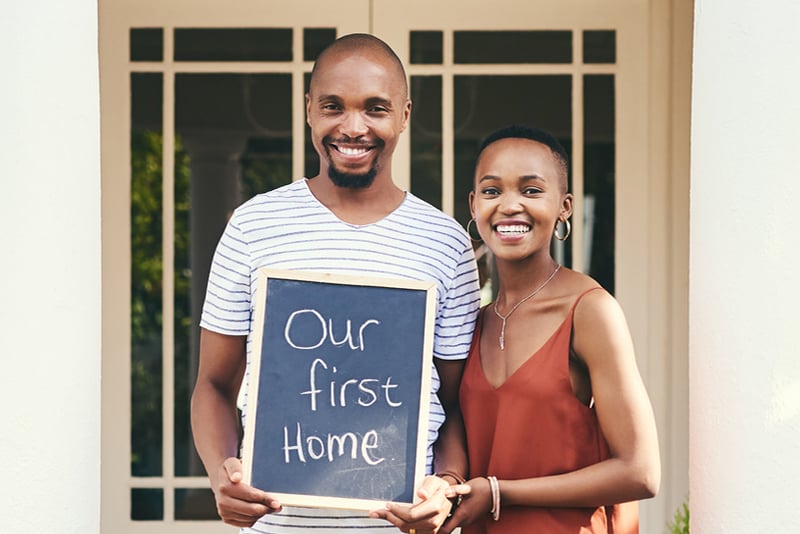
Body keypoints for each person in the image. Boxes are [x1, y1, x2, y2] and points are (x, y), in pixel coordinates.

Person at [190, 33, 481, 534]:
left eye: (375, 109)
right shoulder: (253, 226)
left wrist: (448, 484)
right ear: (308, 109)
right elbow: (212, 385)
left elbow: (456, 405)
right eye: (333, 107)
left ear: (404, 115)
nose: (353, 127)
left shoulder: (445, 243)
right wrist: (222, 474)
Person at [439, 125, 660, 533]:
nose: (509, 205)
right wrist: (448, 482)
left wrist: (500, 492)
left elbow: (641, 471)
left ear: (565, 206)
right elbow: (453, 414)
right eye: (491, 191)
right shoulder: (476, 318)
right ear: (473, 205)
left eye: (531, 190)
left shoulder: (590, 311)